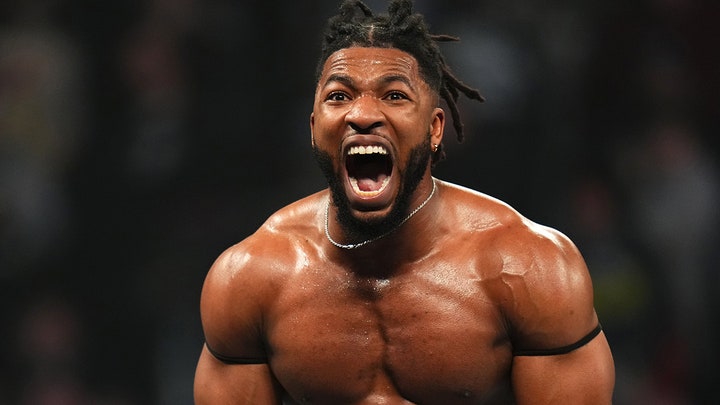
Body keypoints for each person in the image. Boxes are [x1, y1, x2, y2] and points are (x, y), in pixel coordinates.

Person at [193, 0, 615, 403]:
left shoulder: (530, 269)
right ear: (314, 127)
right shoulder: (249, 279)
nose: (362, 115)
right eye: (339, 96)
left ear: (435, 129)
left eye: (394, 95)